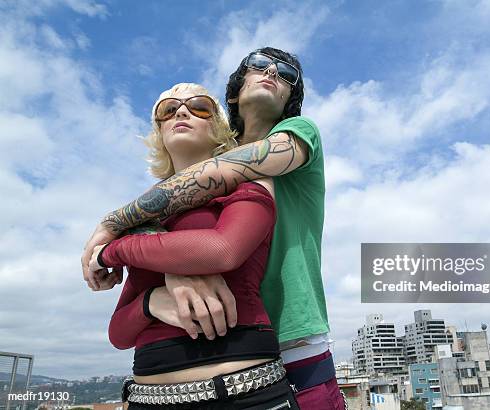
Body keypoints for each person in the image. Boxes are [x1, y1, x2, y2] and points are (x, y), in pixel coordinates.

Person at [83, 47, 345, 409]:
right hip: (222, 341)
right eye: (259, 65)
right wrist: (171, 273)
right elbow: (174, 191)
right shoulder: (198, 169)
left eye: (286, 74)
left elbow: (213, 183)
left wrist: (112, 227)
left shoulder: (294, 134)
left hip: (293, 342)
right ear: (234, 93)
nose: (272, 73)